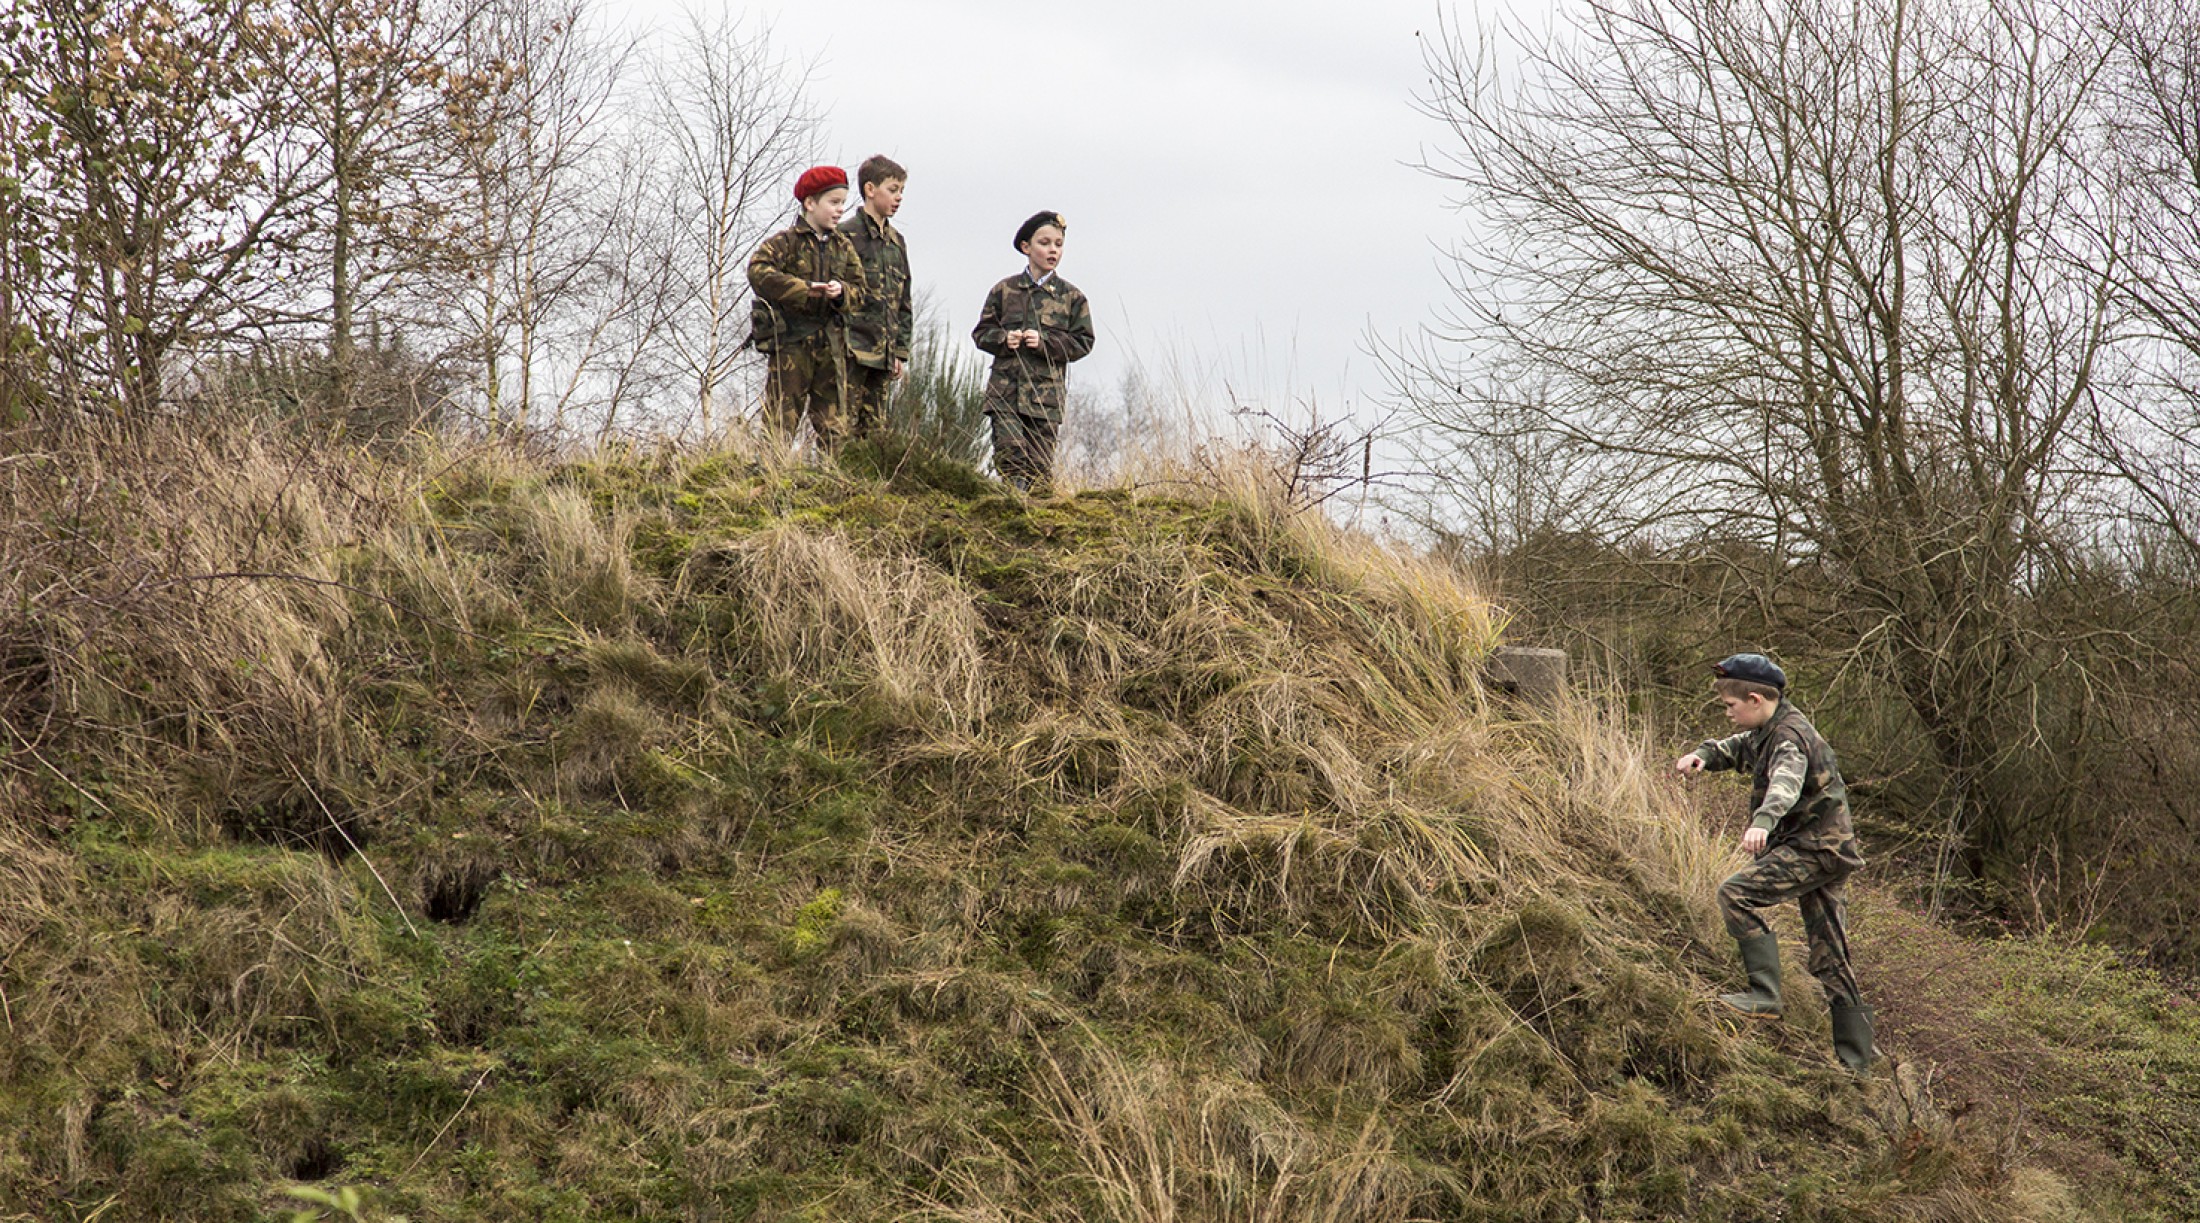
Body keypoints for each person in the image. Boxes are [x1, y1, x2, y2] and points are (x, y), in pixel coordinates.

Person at [1674, 653, 1877, 1073]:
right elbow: (1740, 748)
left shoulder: (1788, 737)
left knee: (1735, 893)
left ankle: (1764, 995)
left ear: (1753, 699)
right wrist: (1704, 756)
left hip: (1814, 850)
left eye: (1731, 706)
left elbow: (1785, 783)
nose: (1727, 713)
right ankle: (1856, 1066)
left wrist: (1763, 822)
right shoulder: (1770, 727)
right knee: (1831, 956)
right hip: (1828, 851)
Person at [971, 210, 1094, 491]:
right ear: (1026, 247)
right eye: (1045, 243)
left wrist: (1044, 344)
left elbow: (1083, 341)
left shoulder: (1072, 298)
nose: (1053, 250)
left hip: (1045, 399)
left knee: (1039, 469)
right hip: (1006, 394)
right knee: (1011, 457)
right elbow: (981, 333)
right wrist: (1004, 339)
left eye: (1058, 244)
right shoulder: (1004, 291)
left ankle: (1037, 522)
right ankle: (1012, 509)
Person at [747, 165, 868, 448]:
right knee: (780, 419)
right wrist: (803, 290)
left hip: (831, 347)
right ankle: (769, 477)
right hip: (792, 344)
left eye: (842, 203)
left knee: (834, 426)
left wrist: (841, 294)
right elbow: (758, 272)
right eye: (833, 202)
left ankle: (833, 485)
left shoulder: (843, 247)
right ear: (810, 203)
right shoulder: (786, 242)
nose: (840, 210)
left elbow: (861, 292)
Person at [837, 155, 913, 442]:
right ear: (870, 189)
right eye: (893, 190)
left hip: (883, 355)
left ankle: (866, 487)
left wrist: (900, 351)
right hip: (850, 350)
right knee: (840, 429)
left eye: (901, 191)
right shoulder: (845, 235)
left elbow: (904, 301)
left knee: (874, 435)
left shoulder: (897, 242)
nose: (899, 198)